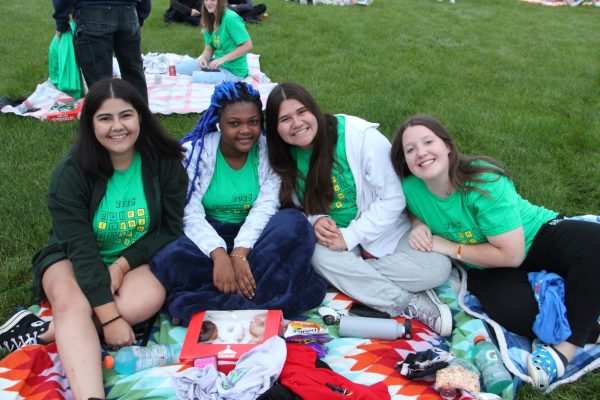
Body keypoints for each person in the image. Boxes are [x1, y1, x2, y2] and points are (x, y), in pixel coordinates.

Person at [0, 78, 188, 400]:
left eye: (126, 115)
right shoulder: (70, 174)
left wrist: (121, 265)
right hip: (71, 258)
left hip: (131, 257)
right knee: (72, 304)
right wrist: (110, 318)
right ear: (90, 123)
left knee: (147, 300)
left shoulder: (164, 163)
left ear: (141, 116)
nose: (118, 127)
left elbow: (170, 230)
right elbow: (82, 251)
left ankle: (42, 331)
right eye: (105, 118)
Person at [391, 114, 600, 389]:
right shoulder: (410, 189)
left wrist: (449, 247)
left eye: (428, 141)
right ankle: (589, 325)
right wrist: (417, 224)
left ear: (448, 147)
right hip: (486, 265)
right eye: (410, 149)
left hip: (537, 236)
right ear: (405, 161)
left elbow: (512, 254)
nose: (421, 152)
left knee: (594, 243)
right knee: (511, 313)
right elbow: (408, 208)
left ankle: (566, 348)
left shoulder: (483, 180)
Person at [264, 82, 453, 337]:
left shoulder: (358, 136)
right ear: (276, 129)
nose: (296, 123)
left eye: (301, 112)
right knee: (315, 255)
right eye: (285, 119)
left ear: (314, 110)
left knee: (438, 267)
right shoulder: (282, 156)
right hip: (332, 240)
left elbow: (394, 198)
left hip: (381, 230)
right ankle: (407, 303)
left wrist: (350, 237)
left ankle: (347, 280)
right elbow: (294, 207)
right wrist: (316, 219)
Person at [150, 82, 326, 326]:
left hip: (257, 239)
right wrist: (220, 255)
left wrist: (240, 254)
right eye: (234, 123)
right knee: (166, 254)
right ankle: (264, 300)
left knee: (295, 224)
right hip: (208, 237)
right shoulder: (195, 153)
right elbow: (188, 213)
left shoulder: (269, 151)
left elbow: (266, 206)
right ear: (218, 122)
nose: (245, 130)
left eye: (253, 122)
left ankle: (216, 302)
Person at [52, 0, 151, 104]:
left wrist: (61, 22)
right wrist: (140, 14)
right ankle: (141, 116)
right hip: (128, 11)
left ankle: (107, 117)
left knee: (100, 82)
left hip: (91, 13)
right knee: (134, 72)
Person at [175, 0, 253, 84]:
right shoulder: (208, 18)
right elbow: (209, 49)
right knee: (178, 69)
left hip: (234, 72)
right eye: (206, 0)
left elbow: (247, 45)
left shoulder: (230, 18)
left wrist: (222, 59)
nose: (208, 3)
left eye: (212, 0)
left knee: (196, 77)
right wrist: (203, 58)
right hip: (216, 65)